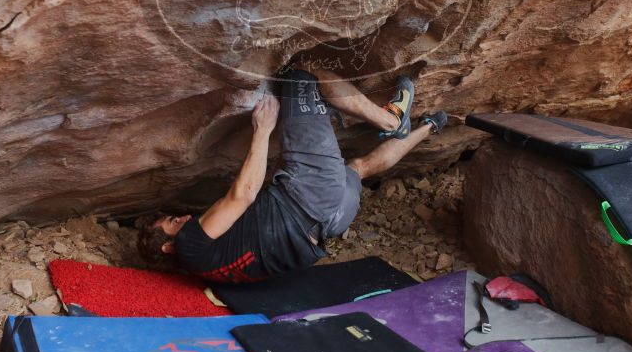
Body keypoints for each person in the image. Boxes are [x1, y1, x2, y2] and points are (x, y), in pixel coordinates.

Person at [137, 66, 448, 283]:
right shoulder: (189, 245)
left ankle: (430, 126)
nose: (181, 218)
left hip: (331, 223)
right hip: (307, 195)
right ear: (168, 247)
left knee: (357, 168)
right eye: (172, 223)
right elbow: (243, 194)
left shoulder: (205, 268)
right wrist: (263, 130)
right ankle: (391, 121)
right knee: (304, 75)